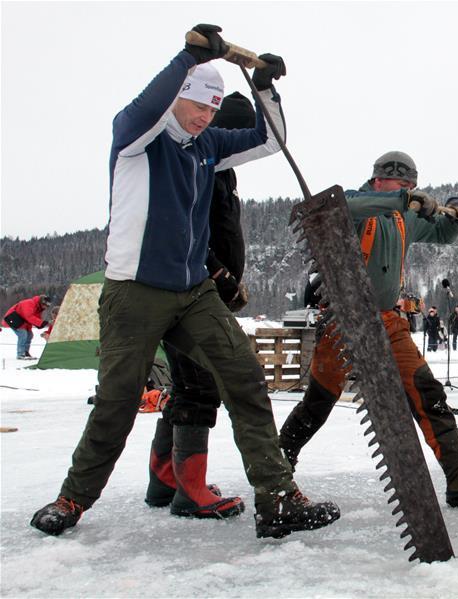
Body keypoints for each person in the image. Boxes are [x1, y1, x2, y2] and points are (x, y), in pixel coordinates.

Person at [30, 25, 340, 540]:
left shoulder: (206, 146)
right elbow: (142, 108)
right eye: (199, 106)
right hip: (135, 291)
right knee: (118, 399)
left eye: (213, 110)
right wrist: (189, 58)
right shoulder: (136, 142)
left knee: (243, 377)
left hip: (192, 291)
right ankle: (72, 498)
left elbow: (272, 140)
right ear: (178, 97)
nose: (205, 117)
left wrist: (264, 88)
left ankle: (277, 498)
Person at [278, 151, 458, 508]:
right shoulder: (357, 205)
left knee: (426, 390)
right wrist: (400, 200)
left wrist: (457, 209)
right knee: (319, 400)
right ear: (379, 180)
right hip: (343, 317)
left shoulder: (404, 217)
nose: (408, 190)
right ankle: (277, 469)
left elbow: (444, 234)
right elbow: (342, 205)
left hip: (388, 319)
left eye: (412, 186)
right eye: (402, 184)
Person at [143, 91, 256, 520]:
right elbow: (183, 229)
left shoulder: (219, 172)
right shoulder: (197, 168)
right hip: (192, 293)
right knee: (201, 387)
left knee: (188, 387)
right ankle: (188, 489)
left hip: (205, 293)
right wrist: (218, 274)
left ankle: (165, 480)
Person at [3, 294, 52, 359]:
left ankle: (25, 352)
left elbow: (37, 319)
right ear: (41, 302)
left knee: (30, 335)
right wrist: (42, 323)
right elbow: (29, 317)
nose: (45, 307)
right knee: (23, 334)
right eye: (45, 305)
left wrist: (44, 323)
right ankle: (20, 354)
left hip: (23, 322)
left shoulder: (38, 308)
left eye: (47, 306)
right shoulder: (29, 303)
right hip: (13, 319)